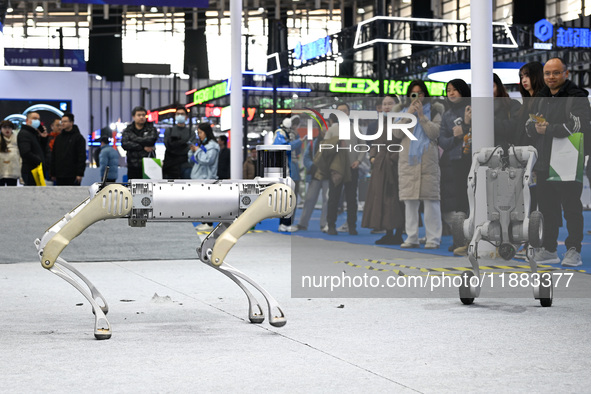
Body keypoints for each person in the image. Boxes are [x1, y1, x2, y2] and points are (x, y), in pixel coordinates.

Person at [526, 57, 591, 267]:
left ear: (566, 73)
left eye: (555, 73)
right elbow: (529, 124)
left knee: (571, 207)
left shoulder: (577, 96)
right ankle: (549, 248)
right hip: (544, 161)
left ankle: (574, 249)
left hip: (569, 160)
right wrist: (536, 128)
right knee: (547, 208)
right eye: (547, 73)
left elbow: (577, 126)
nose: (551, 77)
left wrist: (548, 129)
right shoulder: (541, 96)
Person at [394, 81, 444, 249]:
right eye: (413, 93)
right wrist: (408, 115)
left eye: (420, 93)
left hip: (428, 162)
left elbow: (434, 133)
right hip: (409, 162)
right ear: (409, 96)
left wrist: (422, 117)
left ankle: (433, 238)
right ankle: (412, 237)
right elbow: (397, 133)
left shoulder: (435, 111)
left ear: (425, 94)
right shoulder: (401, 112)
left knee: (431, 201)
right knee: (410, 202)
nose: (417, 97)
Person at [362, 96, 405, 244]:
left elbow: (405, 143)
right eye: (384, 104)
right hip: (380, 166)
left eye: (390, 104)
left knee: (396, 200)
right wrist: (372, 157)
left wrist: (393, 158)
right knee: (383, 200)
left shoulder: (402, 120)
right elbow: (375, 142)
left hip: (395, 165)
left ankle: (399, 233)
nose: (386, 107)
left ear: (396, 105)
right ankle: (388, 231)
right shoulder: (381, 123)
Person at [438, 78, 472, 255]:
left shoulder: (473, 108)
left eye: (454, 90)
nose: (451, 93)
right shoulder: (447, 115)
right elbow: (442, 140)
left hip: (473, 159)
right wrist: (457, 137)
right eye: (448, 90)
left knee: (474, 200)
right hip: (455, 161)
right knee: (459, 202)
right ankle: (460, 240)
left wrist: (465, 128)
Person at [325, 102, 365, 236]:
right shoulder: (331, 130)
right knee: (334, 198)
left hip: (352, 168)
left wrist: (358, 160)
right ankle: (331, 225)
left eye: (344, 111)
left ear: (348, 113)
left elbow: (363, 146)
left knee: (352, 199)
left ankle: (352, 226)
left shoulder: (356, 128)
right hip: (336, 169)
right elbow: (325, 149)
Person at [294, 119, 330, 233]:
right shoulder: (313, 142)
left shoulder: (333, 142)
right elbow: (306, 157)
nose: (325, 128)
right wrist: (312, 166)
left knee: (327, 200)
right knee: (309, 199)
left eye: (327, 126)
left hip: (328, 176)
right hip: (314, 176)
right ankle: (302, 223)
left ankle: (324, 224)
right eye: (323, 126)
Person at [188, 122, 220, 232]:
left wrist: (197, 151)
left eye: (200, 132)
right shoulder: (203, 146)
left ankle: (209, 223)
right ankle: (204, 222)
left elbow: (207, 160)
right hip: (199, 178)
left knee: (207, 202)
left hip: (207, 178)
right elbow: (195, 161)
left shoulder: (212, 146)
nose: (199, 135)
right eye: (198, 133)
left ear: (206, 132)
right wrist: (192, 152)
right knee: (201, 202)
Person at [121, 106, 159, 180]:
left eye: (143, 115)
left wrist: (133, 139)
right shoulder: (128, 130)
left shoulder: (151, 128)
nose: (141, 117)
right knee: (133, 189)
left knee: (149, 189)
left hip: (149, 165)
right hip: (132, 165)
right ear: (133, 117)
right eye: (139, 115)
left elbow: (151, 140)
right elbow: (125, 144)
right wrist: (143, 147)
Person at [50, 113, 86, 185]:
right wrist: (53, 173)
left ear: (71, 123)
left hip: (73, 175)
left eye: (65, 121)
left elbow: (81, 156)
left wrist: (80, 173)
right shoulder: (58, 138)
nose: (62, 123)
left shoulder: (79, 138)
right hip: (59, 175)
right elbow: (54, 155)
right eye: (62, 121)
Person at [163, 107, 196, 179]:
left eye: (182, 114)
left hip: (186, 166)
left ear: (186, 117)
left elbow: (190, 148)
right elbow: (167, 146)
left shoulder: (191, 132)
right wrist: (183, 145)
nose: (180, 115)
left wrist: (175, 146)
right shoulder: (169, 131)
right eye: (178, 114)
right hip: (170, 167)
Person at [17, 111, 48, 186]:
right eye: (34, 118)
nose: (37, 121)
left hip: (36, 170)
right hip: (30, 171)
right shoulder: (24, 133)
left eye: (38, 119)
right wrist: (39, 160)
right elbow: (25, 152)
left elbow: (40, 150)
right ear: (27, 120)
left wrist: (43, 138)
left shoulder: (34, 134)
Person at [493, 73, 521, 148]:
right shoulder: (478, 110)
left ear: (499, 87)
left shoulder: (512, 104)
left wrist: (489, 122)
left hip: (507, 153)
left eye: (492, 87)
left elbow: (513, 128)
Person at [0, 120, 21, 186]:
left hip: (13, 173)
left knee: (12, 194)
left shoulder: (18, 140)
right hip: (1, 173)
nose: (7, 130)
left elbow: (20, 158)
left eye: (9, 127)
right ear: (1, 129)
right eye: (4, 127)